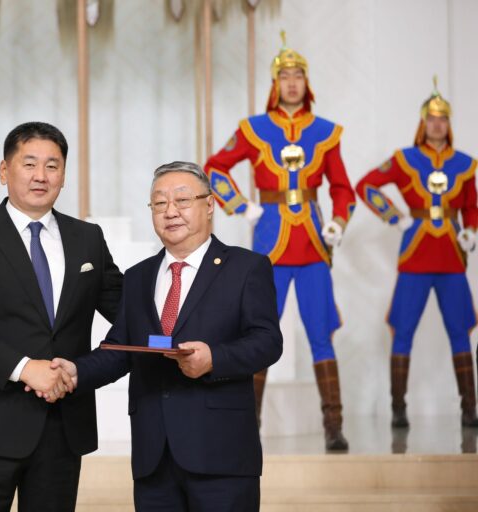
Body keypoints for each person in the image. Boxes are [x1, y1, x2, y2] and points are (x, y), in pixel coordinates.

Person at [51, 162, 282, 511]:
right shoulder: (138, 277)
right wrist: (75, 371)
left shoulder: (246, 267)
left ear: (209, 205)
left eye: (182, 200)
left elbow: (267, 341)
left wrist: (214, 359)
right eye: (159, 203)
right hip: (154, 457)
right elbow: (120, 349)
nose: (170, 211)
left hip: (221, 455)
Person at [0, 121, 123, 512]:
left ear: (63, 175)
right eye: (30, 164)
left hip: (63, 425)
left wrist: (87, 369)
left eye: (52, 166)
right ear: (4, 171)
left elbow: (128, 312)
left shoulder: (87, 238)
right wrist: (24, 368)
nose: (41, 176)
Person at [202, 33, 356, 450]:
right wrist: (240, 205)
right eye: (285, 76)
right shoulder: (253, 129)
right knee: (258, 334)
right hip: (269, 245)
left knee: (321, 333)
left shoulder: (325, 132)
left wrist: (338, 221)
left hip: (313, 245)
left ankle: (333, 426)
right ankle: (247, 421)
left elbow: (342, 187)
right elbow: (215, 168)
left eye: (298, 76)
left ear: (307, 83)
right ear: (275, 83)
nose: (291, 83)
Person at [355, 77, 478, 428]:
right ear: (423, 123)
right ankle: (398, 407)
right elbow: (366, 185)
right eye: (432, 119)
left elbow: (471, 206)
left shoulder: (465, 164)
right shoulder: (405, 159)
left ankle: (469, 408)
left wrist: (470, 230)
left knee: (460, 330)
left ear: (449, 124)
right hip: (415, 257)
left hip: (452, 258)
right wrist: (394, 216)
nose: (437, 125)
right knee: (403, 329)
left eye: (443, 119)